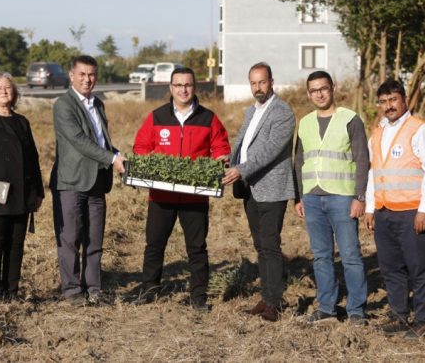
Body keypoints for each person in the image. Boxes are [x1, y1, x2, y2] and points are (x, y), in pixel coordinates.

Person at [132, 67, 230, 311]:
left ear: (194, 87)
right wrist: (147, 166)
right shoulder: (156, 117)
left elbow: (220, 148)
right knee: (154, 244)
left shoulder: (208, 118)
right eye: (178, 85)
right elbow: (141, 147)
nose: (183, 90)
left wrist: (221, 160)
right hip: (160, 196)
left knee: (196, 248)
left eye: (188, 85)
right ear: (170, 88)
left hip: (195, 198)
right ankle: (150, 289)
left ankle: (198, 297)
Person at [363, 79, 425, 339]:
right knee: (390, 267)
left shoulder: (420, 130)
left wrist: (424, 209)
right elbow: (374, 172)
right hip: (384, 212)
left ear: (404, 99)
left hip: (411, 212)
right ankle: (399, 314)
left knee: (418, 266)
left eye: (393, 100)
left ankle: (424, 319)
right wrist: (371, 208)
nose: (389, 106)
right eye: (383, 102)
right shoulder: (377, 132)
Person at [292, 71, 369, 325]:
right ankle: (327, 307)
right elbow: (299, 161)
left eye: (323, 88)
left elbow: (361, 160)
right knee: (322, 255)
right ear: (308, 93)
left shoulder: (350, 119)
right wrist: (299, 197)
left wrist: (360, 196)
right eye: (314, 90)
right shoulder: (304, 123)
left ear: (333, 88)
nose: (319, 94)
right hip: (313, 199)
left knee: (350, 255)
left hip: (342, 198)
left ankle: (357, 309)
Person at [221, 62, 295, 321]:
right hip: (251, 187)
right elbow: (241, 144)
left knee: (271, 245)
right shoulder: (251, 111)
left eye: (262, 82)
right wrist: (229, 160)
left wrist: (241, 169)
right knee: (260, 246)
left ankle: (274, 303)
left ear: (271, 82)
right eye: (253, 83)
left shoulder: (283, 112)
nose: (258, 87)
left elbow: (270, 151)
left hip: (272, 188)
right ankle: (266, 298)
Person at [50, 55, 126, 306]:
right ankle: (72, 290)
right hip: (72, 182)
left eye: (91, 74)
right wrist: (111, 159)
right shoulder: (64, 105)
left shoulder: (98, 104)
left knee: (94, 239)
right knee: (70, 239)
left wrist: (116, 155)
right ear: (72, 76)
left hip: (96, 182)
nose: (87, 79)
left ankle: (94, 288)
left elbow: (101, 141)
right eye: (82, 74)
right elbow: (80, 141)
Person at [0, 72, 44, 302]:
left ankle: (12, 291)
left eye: (8, 88)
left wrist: (38, 192)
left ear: (14, 93)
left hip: (21, 195)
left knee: (16, 245)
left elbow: (33, 158)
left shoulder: (22, 122)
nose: (4, 91)